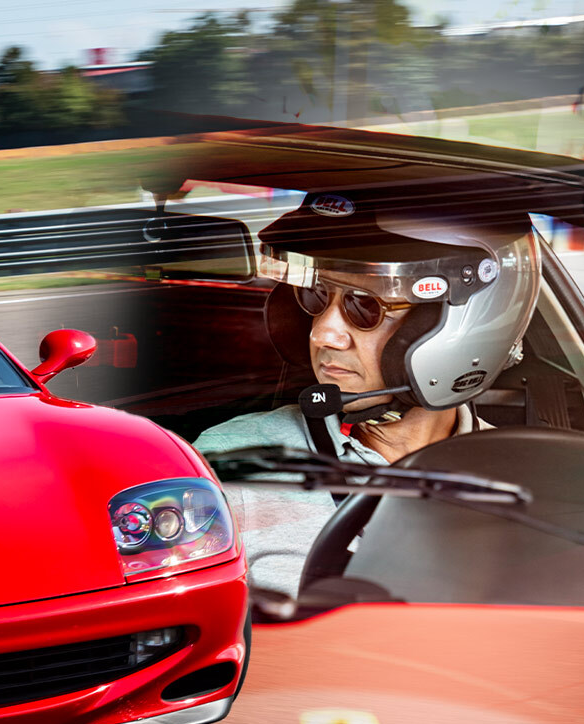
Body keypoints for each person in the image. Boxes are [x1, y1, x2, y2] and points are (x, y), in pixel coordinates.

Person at [194, 191, 542, 596]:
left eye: (364, 305)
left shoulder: (532, 477)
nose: (323, 334)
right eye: (316, 296)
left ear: (458, 331)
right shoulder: (230, 463)